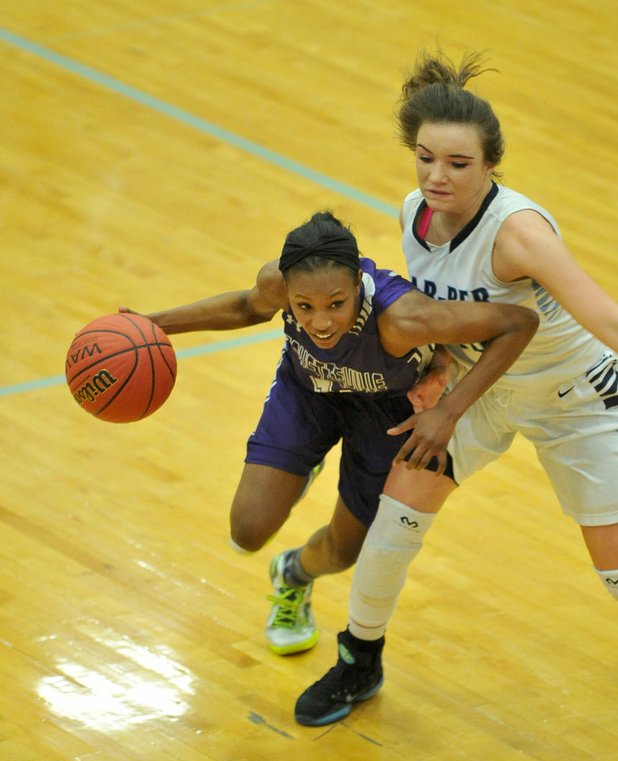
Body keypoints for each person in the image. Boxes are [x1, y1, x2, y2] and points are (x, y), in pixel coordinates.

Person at [291, 52, 618, 727]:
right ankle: (359, 659)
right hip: (483, 390)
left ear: (490, 164)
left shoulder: (519, 233)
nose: (437, 176)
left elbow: (608, 316)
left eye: (457, 165)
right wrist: (436, 370)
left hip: (574, 400)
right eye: (426, 158)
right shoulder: (414, 212)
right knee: (396, 509)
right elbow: (451, 316)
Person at [129, 211, 537, 654]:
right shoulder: (276, 284)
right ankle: (305, 458)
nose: (320, 322)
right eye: (304, 307)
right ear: (288, 292)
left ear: (358, 287)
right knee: (246, 532)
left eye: (336, 304)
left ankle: (293, 574)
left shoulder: (403, 319)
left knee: (344, 553)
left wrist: (450, 410)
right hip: (309, 393)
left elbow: (518, 324)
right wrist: (153, 324)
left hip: (384, 414)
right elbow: (247, 307)